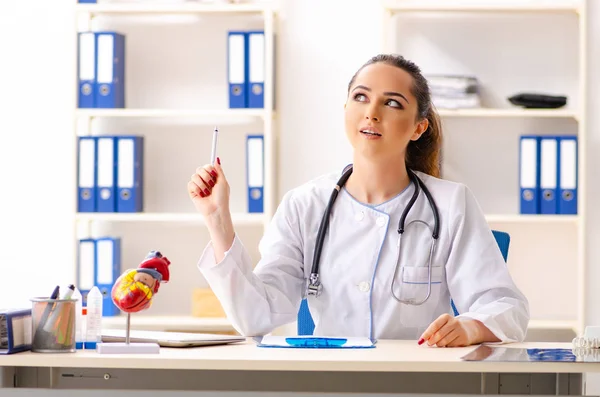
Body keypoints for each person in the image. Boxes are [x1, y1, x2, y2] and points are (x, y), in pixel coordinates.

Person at [187, 54, 530, 347]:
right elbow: (255, 317)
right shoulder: (304, 205)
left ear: (418, 128)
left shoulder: (450, 203)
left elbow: (505, 306)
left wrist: (469, 327)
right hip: (331, 382)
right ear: (346, 108)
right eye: (361, 97)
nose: (372, 112)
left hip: (417, 382)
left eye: (392, 102)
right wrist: (218, 220)